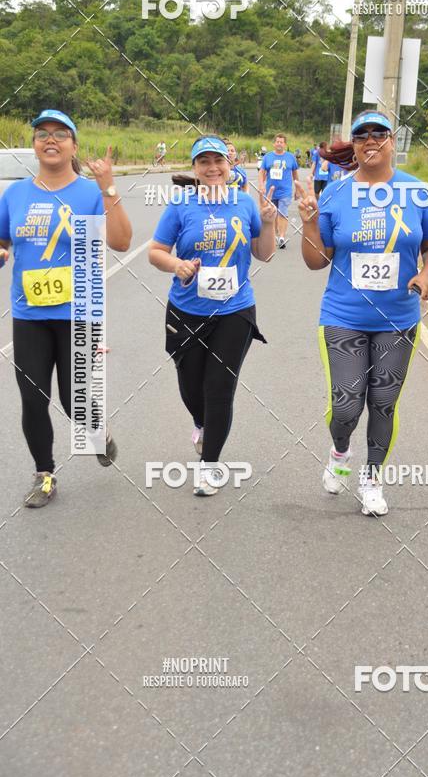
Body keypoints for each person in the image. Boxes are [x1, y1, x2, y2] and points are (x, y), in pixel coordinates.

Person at [298, 111, 428, 516]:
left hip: (397, 319)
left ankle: (373, 479)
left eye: (379, 133)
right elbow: (316, 261)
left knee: (383, 403)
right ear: (356, 144)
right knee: (346, 406)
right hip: (344, 315)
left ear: (392, 141)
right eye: (361, 135)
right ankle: (340, 452)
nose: (370, 140)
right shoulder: (335, 194)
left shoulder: (416, 192)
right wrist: (310, 223)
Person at [0, 109, 132, 508]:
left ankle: (97, 431)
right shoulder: (16, 194)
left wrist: (109, 187)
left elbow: (122, 242)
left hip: (79, 311)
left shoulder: (89, 193)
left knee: (73, 397)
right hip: (29, 315)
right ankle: (45, 475)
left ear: (73, 145)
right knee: (33, 397)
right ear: (35, 145)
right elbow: (4, 242)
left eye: (60, 133)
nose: (50, 139)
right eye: (42, 133)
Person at [148, 135, 276, 497]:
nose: (212, 168)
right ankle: (200, 424)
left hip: (235, 311)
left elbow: (264, 253)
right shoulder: (180, 205)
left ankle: (209, 467)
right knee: (192, 388)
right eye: (204, 162)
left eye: (218, 161)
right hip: (186, 310)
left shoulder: (244, 203)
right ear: (195, 169)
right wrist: (178, 265)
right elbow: (156, 252)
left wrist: (267, 223)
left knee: (219, 389)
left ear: (228, 164)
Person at [258, 133, 301, 249]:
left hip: (285, 192)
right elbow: (261, 172)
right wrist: (261, 185)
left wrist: (297, 189)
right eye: (277, 141)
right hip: (271, 191)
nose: (279, 144)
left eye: (281, 142)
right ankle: (276, 234)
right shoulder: (268, 157)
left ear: (285, 144)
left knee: (283, 212)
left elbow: (295, 173)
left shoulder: (290, 157)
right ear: (274, 143)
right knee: (273, 213)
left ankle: (282, 237)